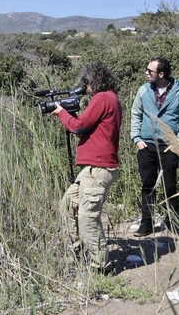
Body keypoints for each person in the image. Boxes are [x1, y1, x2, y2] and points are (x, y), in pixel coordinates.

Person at [52, 62, 122, 274]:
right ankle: (78, 251)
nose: (85, 87)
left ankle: (101, 266)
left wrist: (62, 113)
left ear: (94, 81)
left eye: (86, 83)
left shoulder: (102, 98)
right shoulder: (111, 98)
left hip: (98, 167)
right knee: (68, 205)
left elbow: (79, 125)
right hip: (93, 167)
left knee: (87, 217)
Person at [130, 57, 179, 237]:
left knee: (170, 185)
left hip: (169, 147)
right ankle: (146, 224)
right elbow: (136, 114)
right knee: (147, 185)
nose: (146, 73)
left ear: (161, 74)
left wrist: (177, 142)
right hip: (146, 145)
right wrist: (136, 138)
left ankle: (172, 221)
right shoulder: (143, 90)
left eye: (150, 71)